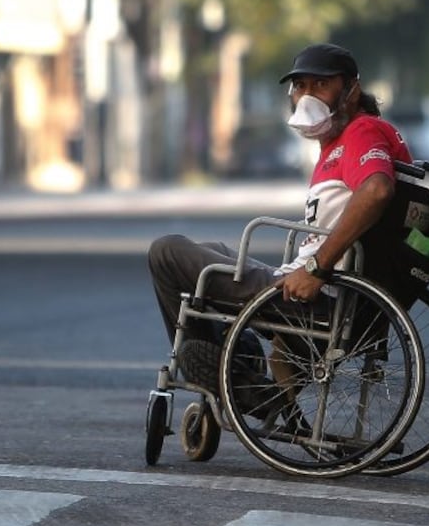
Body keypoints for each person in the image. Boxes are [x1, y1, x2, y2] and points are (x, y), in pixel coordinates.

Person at [147, 42, 413, 393]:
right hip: (317, 291)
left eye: (321, 84)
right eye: (300, 86)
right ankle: (230, 368)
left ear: (351, 90)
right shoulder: (340, 142)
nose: (307, 95)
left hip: (315, 299)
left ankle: (225, 381)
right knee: (211, 250)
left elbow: (377, 190)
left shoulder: (361, 132)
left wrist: (317, 268)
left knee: (167, 252)